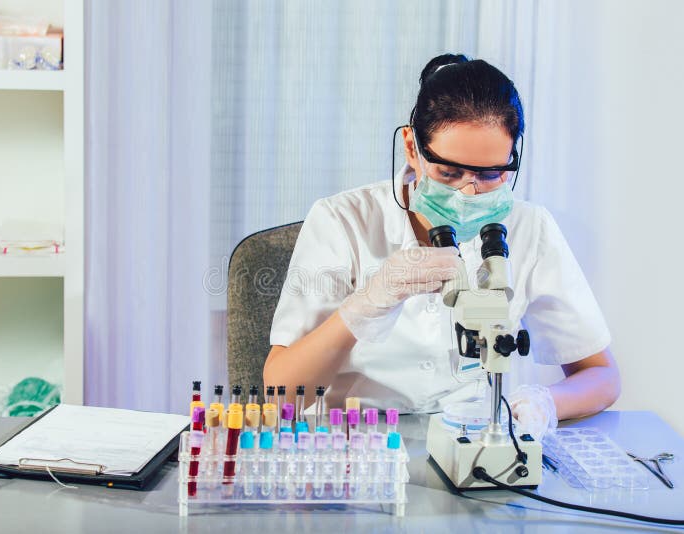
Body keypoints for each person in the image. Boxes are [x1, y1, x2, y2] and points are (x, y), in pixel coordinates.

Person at [263, 53, 620, 437]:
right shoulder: (342, 220)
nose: (469, 190)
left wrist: (544, 402)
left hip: (470, 442)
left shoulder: (529, 227)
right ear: (412, 148)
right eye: (449, 173)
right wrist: (364, 307)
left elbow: (601, 376)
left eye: (491, 174)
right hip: (357, 449)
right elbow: (280, 396)